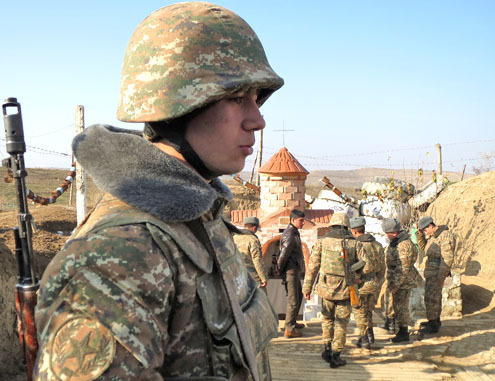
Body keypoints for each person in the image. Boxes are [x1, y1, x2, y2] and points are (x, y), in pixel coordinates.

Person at [33, 2, 284, 380]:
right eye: (237, 97)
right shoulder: (118, 255)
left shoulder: (201, 222)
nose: (257, 119)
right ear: (178, 106)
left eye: (257, 98)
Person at [303, 213, 359, 368]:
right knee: (341, 322)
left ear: (332, 225)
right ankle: (336, 355)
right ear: (347, 225)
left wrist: (307, 287)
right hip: (346, 288)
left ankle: (327, 349)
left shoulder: (322, 242)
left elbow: (313, 267)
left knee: (327, 319)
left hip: (326, 288)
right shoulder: (354, 243)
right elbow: (364, 265)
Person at [416, 216, 458, 334]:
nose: (426, 232)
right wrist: (420, 235)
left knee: (432, 298)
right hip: (431, 272)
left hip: (437, 273)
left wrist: (441, 276)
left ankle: (433, 325)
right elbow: (424, 248)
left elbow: (447, 258)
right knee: (431, 298)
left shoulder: (444, 235)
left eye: (425, 230)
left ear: (431, 226)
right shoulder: (434, 237)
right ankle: (433, 321)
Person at [382, 218, 421, 343]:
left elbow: (403, 268)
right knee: (397, 306)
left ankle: (403, 332)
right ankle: (399, 329)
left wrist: (394, 285)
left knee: (401, 307)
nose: (386, 236)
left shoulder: (403, 245)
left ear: (392, 232)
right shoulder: (397, 242)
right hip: (398, 280)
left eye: (387, 233)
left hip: (403, 282)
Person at [349, 216, 385, 348]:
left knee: (359, 312)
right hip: (374, 281)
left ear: (353, 231)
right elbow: (382, 267)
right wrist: (377, 279)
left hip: (361, 283)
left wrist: (354, 278)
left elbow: (354, 265)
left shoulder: (356, 245)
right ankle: (370, 336)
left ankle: (364, 339)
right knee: (369, 311)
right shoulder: (378, 245)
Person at [277, 209, 306, 338]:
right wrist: (279, 270)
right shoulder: (290, 234)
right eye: (301, 220)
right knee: (293, 300)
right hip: (290, 271)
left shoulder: (294, 232)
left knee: (298, 297)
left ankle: (292, 322)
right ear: (293, 220)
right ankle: (289, 329)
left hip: (294, 270)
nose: (303, 222)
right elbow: (283, 256)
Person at [233, 216, 268, 288]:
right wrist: (263, 278)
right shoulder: (253, 240)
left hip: (237, 275)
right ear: (254, 228)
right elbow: (257, 260)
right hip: (252, 276)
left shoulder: (234, 237)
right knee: (260, 297)